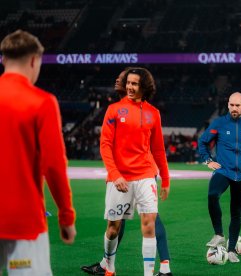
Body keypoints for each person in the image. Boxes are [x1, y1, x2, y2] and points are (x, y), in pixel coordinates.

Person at [81, 68, 172, 276]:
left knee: (148, 224)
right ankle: (109, 267)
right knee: (113, 227)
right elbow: (105, 145)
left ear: (144, 87)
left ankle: (148, 274)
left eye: (135, 84)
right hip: (119, 178)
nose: (130, 87)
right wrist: (114, 174)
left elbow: (158, 149)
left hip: (145, 175)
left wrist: (165, 179)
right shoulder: (114, 110)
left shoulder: (153, 113)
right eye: (128, 83)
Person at [0, 29, 76, 275]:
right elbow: (53, 165)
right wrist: (66, 216)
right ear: (34, 61)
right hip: (23, 221)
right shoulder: (42, 102)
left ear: (4, 59)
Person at [198, 92, 241, 263]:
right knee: (212, 195)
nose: (234, 108)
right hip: (224, 170)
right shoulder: (219, 123)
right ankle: (219, 234)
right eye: (231, 105)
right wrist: (208, 160)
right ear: (228, 105)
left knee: (236, 212)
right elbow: (203, 141)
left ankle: (231, 251)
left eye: (237, 105)